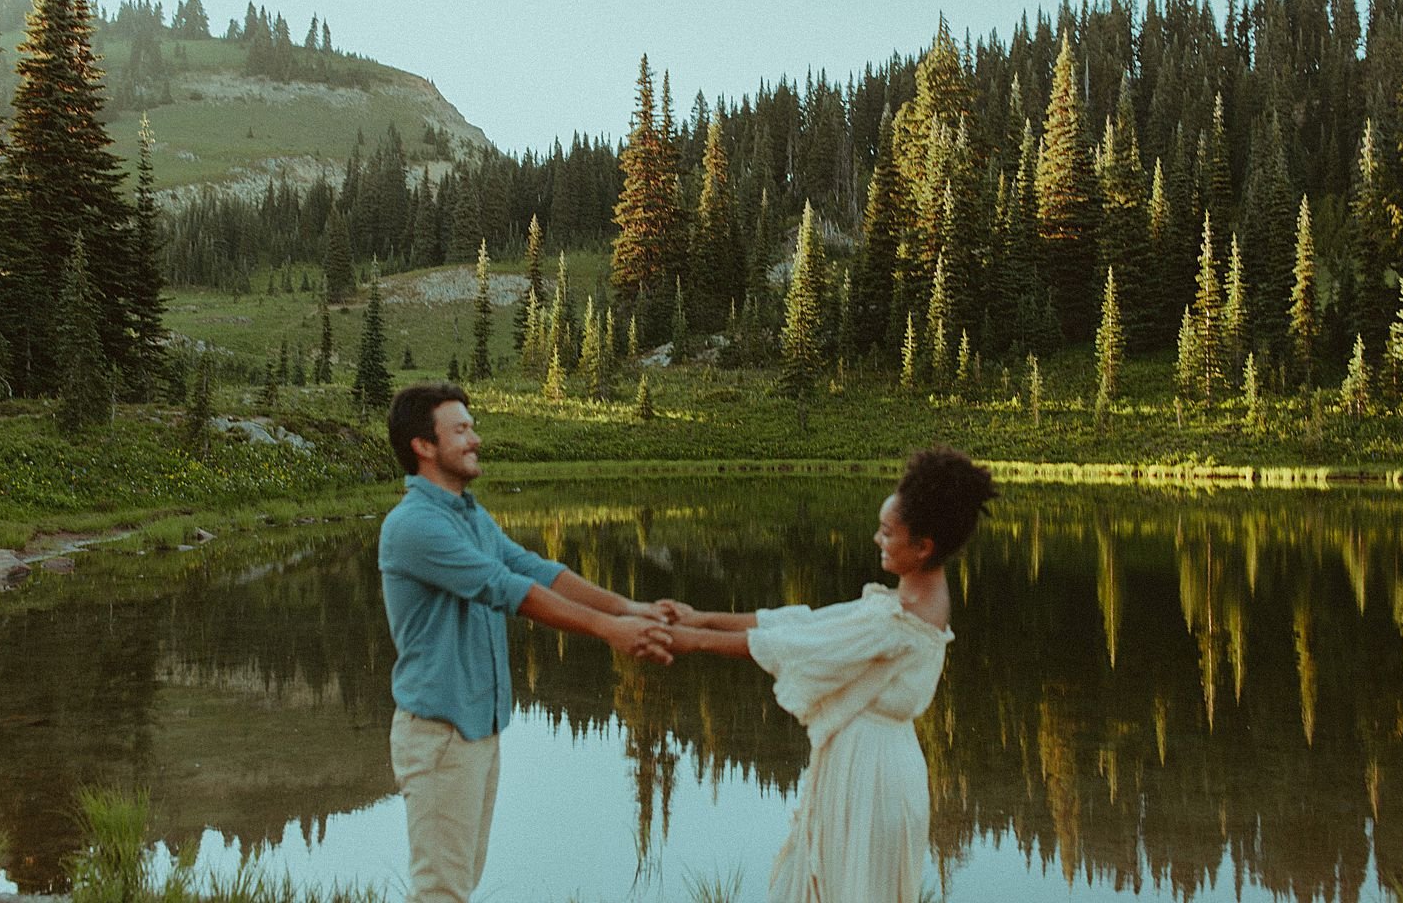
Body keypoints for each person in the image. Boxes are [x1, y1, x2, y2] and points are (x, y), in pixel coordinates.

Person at [379, 381, 673, 903]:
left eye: (472, 427)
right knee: (440, 891)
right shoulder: (414, 525)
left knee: (458, 884)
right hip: (440, 731)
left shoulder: (467, 513)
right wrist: (610, 631)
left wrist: (628, 608)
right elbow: (506, 589)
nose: (476, 438)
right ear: (424, 447)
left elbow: (533, 568)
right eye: (461, 430)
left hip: (473, 727)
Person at [663, 446, 996, 903]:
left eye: (886, 533)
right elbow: (806, 622)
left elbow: (796, 647)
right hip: (868, 766)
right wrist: (701, 619)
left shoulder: (899, 622)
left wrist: (695, 640)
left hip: (873, 782)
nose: (877, 539)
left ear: (923, 547)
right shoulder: (904, 604)